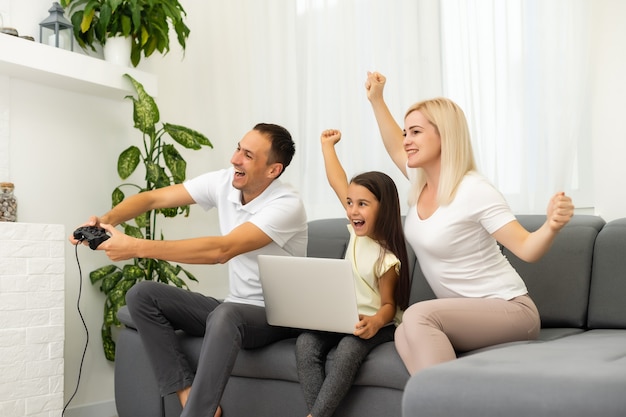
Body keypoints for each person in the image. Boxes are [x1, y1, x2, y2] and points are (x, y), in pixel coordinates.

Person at [70, 123, 308, 417]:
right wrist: (105, 220)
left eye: (248, 155)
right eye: (238, 148)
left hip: (275, 316)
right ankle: (186, 392)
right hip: (235, 309)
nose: (235, 159)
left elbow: (222, 250)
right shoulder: (225, 182)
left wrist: (135, 247)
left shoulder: (286, 205)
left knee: (227, 313)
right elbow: (154, 198)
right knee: (143, 294)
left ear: (273, 170)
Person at [364, 71, 576, 375]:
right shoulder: (420, 182)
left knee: (417, 316)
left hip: (511, 309)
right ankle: (441, 401)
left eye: (415, 132)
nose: (406, 140)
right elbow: (393, 144)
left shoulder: (474, 190)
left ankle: (445, 401)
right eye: (406, 132)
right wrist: (376, 99)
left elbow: (527, 248)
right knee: (403, 332)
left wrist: (552, 225)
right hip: (465, 314)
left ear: (444, 135)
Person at [295, 129, 411, 417]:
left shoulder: (387, 258)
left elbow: (388, 307)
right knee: (306, 342)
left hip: (378, 325)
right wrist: (327, 147)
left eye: (362, 204)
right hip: (345, 317)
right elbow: (339, 182)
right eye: (350, 203)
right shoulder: (358, 234)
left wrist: (373, 323)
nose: (351, 210)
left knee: (348, 349)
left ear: (383, 209)